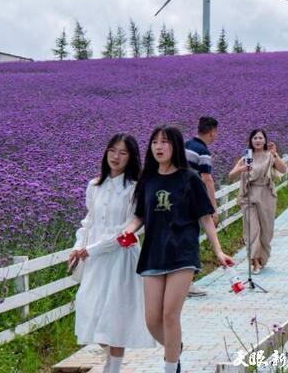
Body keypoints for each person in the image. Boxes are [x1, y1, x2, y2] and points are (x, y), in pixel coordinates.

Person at [123, 126, 233, 373]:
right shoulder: (147, 180)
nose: (158, 147)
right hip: (153, 252)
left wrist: (218, 251)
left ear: (176, 147)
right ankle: (176, 347)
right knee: (152, 320)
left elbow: (205, 217)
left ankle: (171, 367)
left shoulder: (189, 178)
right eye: (154, 142)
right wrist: (128, 230)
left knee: (170, 314)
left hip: (182, 252)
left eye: (164, 142)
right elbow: (140, 216)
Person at [69, 133, 155, 373]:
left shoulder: (136, 188)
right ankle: (111, 361)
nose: (116, 157)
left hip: (120, 258)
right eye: (112, 151)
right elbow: (89, 222)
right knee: (89, 309)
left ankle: (114, 368)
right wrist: (77, 247)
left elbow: (128, 230)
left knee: (114, 316)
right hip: (94, 259)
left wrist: (91, 250)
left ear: (132, 158)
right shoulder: (94, 186)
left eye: (123, 153)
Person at [228, 130, 287, 274]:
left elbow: (283, 169)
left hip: (266, 195)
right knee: (251, 231)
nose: (258, 140)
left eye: (261, 138)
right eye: (255, 138)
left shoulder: (269, 156)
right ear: (251, 140)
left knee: (266, 231)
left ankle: (262, 258)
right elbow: (230, 176)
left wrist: (275, 154)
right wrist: (242, 168)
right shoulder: (246, 157)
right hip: (249, 196)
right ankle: (254, 262)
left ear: (265, 140)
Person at [184, 117, 219, 297]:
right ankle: (188, 284)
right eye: (216, 133)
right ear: (212, 131)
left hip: (177, 199)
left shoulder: (185, 144)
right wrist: (213, 208)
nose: (215, 137)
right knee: (192, 239)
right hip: (192, 202)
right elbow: (207, 179)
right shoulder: (203, 151)